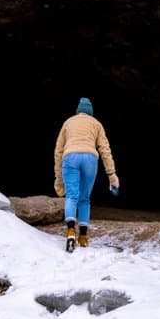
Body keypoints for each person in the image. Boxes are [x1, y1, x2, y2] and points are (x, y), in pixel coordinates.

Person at [53, 96, 119, 252]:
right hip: (90, 159)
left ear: (78, 111)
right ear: (91, 112)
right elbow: (105, 150)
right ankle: (82, 237)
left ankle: (70, 231)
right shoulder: (97, 124)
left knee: (71, 196)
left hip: (70, 157)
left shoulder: (68, 123)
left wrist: (58, 179)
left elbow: (58, 151)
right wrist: (112, 175)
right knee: (84, 199)